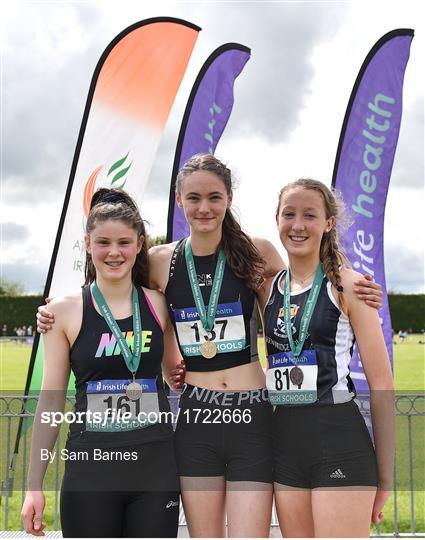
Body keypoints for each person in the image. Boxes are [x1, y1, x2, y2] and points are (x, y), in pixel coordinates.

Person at [37, 155, 382, 538]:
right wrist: (57, 307)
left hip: (252, 413)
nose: (204, 207)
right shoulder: (159, 259)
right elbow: (120, 289)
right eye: (195, 197)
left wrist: (353, 282)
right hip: (198, 416)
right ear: (179, 199)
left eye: (214, 197)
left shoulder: (258, 251)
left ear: (229, 199)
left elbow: (305, 280)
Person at [22, 189, 181, 538]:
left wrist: (181, 374)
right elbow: (50, 400)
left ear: (139, 244)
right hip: (91, 469)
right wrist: (33, 485)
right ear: (88, 244)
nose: (113, 252)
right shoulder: (62, 311)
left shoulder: (158, 304)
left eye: (124, 242)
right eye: (103, 242)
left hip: (154, 468)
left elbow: (174, 373)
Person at [258, 178, 394, 538]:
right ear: (276, 219)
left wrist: (386, 477)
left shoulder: (349, 286)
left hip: (338, 441)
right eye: (289, 214)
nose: (298, 225)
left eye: (309, 215)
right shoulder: (268, 288)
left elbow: (382, 384)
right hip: (285, 444)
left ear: (328, 223)